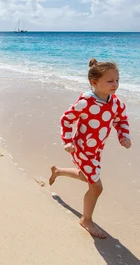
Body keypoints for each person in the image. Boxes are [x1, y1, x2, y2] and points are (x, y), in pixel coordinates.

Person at [49, 58, 131, 238]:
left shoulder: (115, 102)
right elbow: (66, 119)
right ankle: (86, 219)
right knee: (97, 187)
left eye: (117, 80)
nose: (115, 84)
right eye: (110, 81)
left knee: (87, 177)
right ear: (94, 82)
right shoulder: (86, 101)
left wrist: (124, 136)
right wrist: (68, 141)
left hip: (96, 150)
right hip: (81, 149)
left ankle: (58, 171)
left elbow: (121, 120)